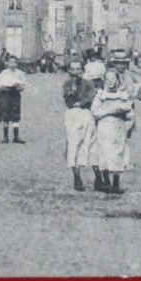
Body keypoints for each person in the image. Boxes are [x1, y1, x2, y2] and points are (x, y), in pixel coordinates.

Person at [90, 63, 135, 194]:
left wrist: (126, 127)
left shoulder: (123, 95)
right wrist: (110, 111)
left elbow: (130, 114)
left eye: (113, 79)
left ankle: (116, 182)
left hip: (118, 128)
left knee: (118, 154)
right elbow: (95, 112)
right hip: (104, 128)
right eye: (108, 79)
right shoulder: (100, 95)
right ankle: (106, 182)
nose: (110, 82)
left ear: (117, 80)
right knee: (104, 154)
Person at [61, 59, 99, 191]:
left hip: (86, 113)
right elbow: (68, 100)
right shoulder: (67, 84)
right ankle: (76, 177)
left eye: (78, 69)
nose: (76, 72)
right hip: (72, 115)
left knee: (90, 144)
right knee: (73, 144)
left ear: (82, 71)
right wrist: (72, 94)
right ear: (69, 70)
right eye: (73, 69)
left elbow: (91, 97)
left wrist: (81, 102)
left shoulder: (88, 83)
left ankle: (98, 177)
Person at [0, 58, 26, 143]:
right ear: (8, 63)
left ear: (17, 63)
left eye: (14, 62)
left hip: (15, 94)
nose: (12, 64)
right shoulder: (4, 73)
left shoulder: (20, 73)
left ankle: (16, 137)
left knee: (15, 114)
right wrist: (2, 87)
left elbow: (23, 85)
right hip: (5, 95)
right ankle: (5, 137)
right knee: (5, 114)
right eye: (11, 62)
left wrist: (19, 87)